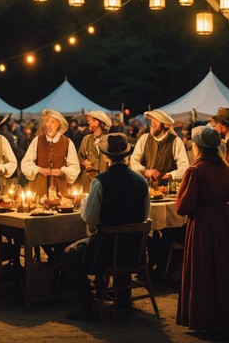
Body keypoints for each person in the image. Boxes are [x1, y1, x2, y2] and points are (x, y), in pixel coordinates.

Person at [175, 126, 229, 333]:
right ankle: (228, 316)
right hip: (224, 219)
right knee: (224, 267)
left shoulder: (195, 170)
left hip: (203, 222)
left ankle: (206, 319)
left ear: (197, 147)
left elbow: (183, 207)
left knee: (204, 268)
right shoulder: (225, 167)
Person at [61, 133, 150, 321]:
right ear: (126, 154)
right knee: (119, 245)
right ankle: (123, 301)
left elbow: (91, 219)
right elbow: (144, 216)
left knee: (69, 254)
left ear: (106, 156)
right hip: (135, 249)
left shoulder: (100, 181)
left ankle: (86, 304)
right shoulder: (141, 181)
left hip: (107, 250)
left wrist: (84, 203)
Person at [21, 109, 80, 197]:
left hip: (60, 187)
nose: (48, 125)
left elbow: (75, 168)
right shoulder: (37, 140)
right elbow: (25, 163)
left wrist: (61, 172)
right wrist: (39, 169)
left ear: (58, 124)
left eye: (52, 122)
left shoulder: (67, 142)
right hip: (39, 187)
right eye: (47, 121)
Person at [130, 109, 190, 185]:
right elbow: (134, 161)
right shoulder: (144, 138)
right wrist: (145, 172)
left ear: (165, 124)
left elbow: (184, 168)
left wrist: (169, 175)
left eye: (156, 120)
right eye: (152, 120)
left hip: (168, 191)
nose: (152, 123)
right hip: (147, 188)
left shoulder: (175, 141)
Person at [77, 111, 113, 192]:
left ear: (101, 123)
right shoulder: (86, 139)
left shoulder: (109, 140)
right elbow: (78, 159)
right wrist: (83, 162)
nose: (90, 123)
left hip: (105, 181)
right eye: (89, 121)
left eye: (93, 121)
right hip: (88, 183)